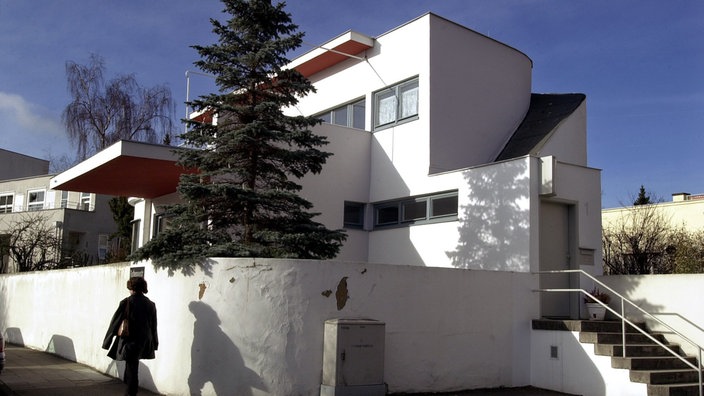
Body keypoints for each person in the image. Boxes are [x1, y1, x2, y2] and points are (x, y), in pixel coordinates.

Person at [103, 277, 158, 396]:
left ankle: (131, 393)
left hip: (130, 341)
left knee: (132, 368)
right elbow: (154, 326)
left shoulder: (126, 302)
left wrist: (107, 342)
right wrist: (155, 343)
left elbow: (115, 323)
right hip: (145, 341)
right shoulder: (150, 304)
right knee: (132, 366)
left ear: (131, 288)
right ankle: (129, 389)